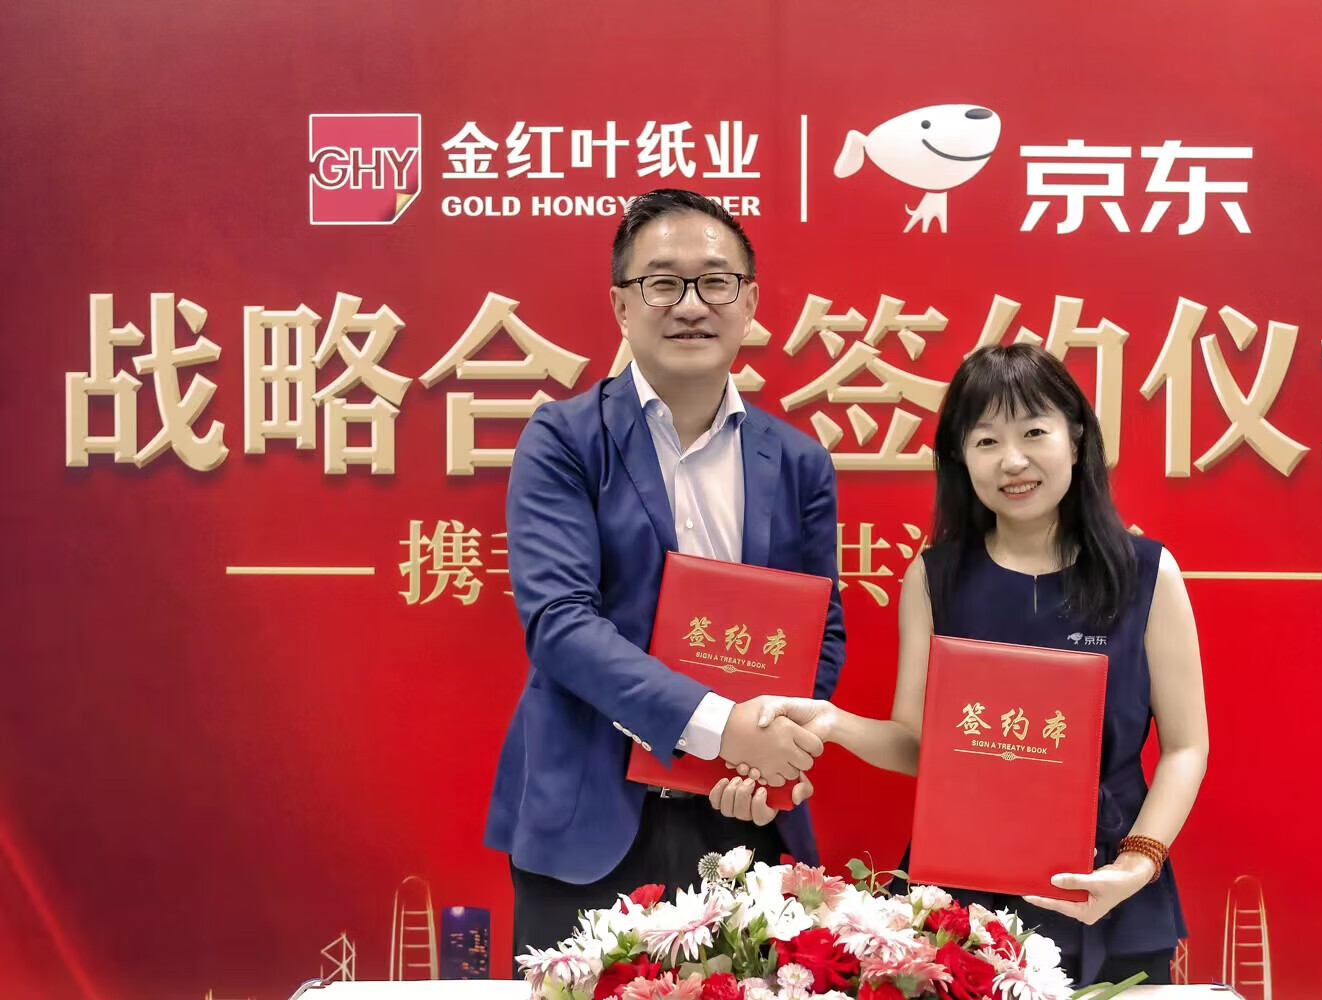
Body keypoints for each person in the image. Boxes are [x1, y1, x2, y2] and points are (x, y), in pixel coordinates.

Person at [719, 343, 1208, 988]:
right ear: (959, 457)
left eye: (1034, 432)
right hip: (961, 907)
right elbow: (920, 745)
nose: (1013, 461)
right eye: (986, 441)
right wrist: (834, 724)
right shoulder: (934, 578)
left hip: (1109, 891)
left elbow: (1185, 746)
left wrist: (1137, 863)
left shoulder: (1145, 573)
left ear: (1076, 437)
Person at [484, 189, 846, 963]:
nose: (690, 305)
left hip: (744, 818)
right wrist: (720, 727)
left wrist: (763, 753)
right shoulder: (563, 439)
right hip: (589, 823)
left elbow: (819, 631)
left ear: (749, 303)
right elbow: (560, 624)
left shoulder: (799, 462)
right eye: (662, 283)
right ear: (622, 304)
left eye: (715, 282)